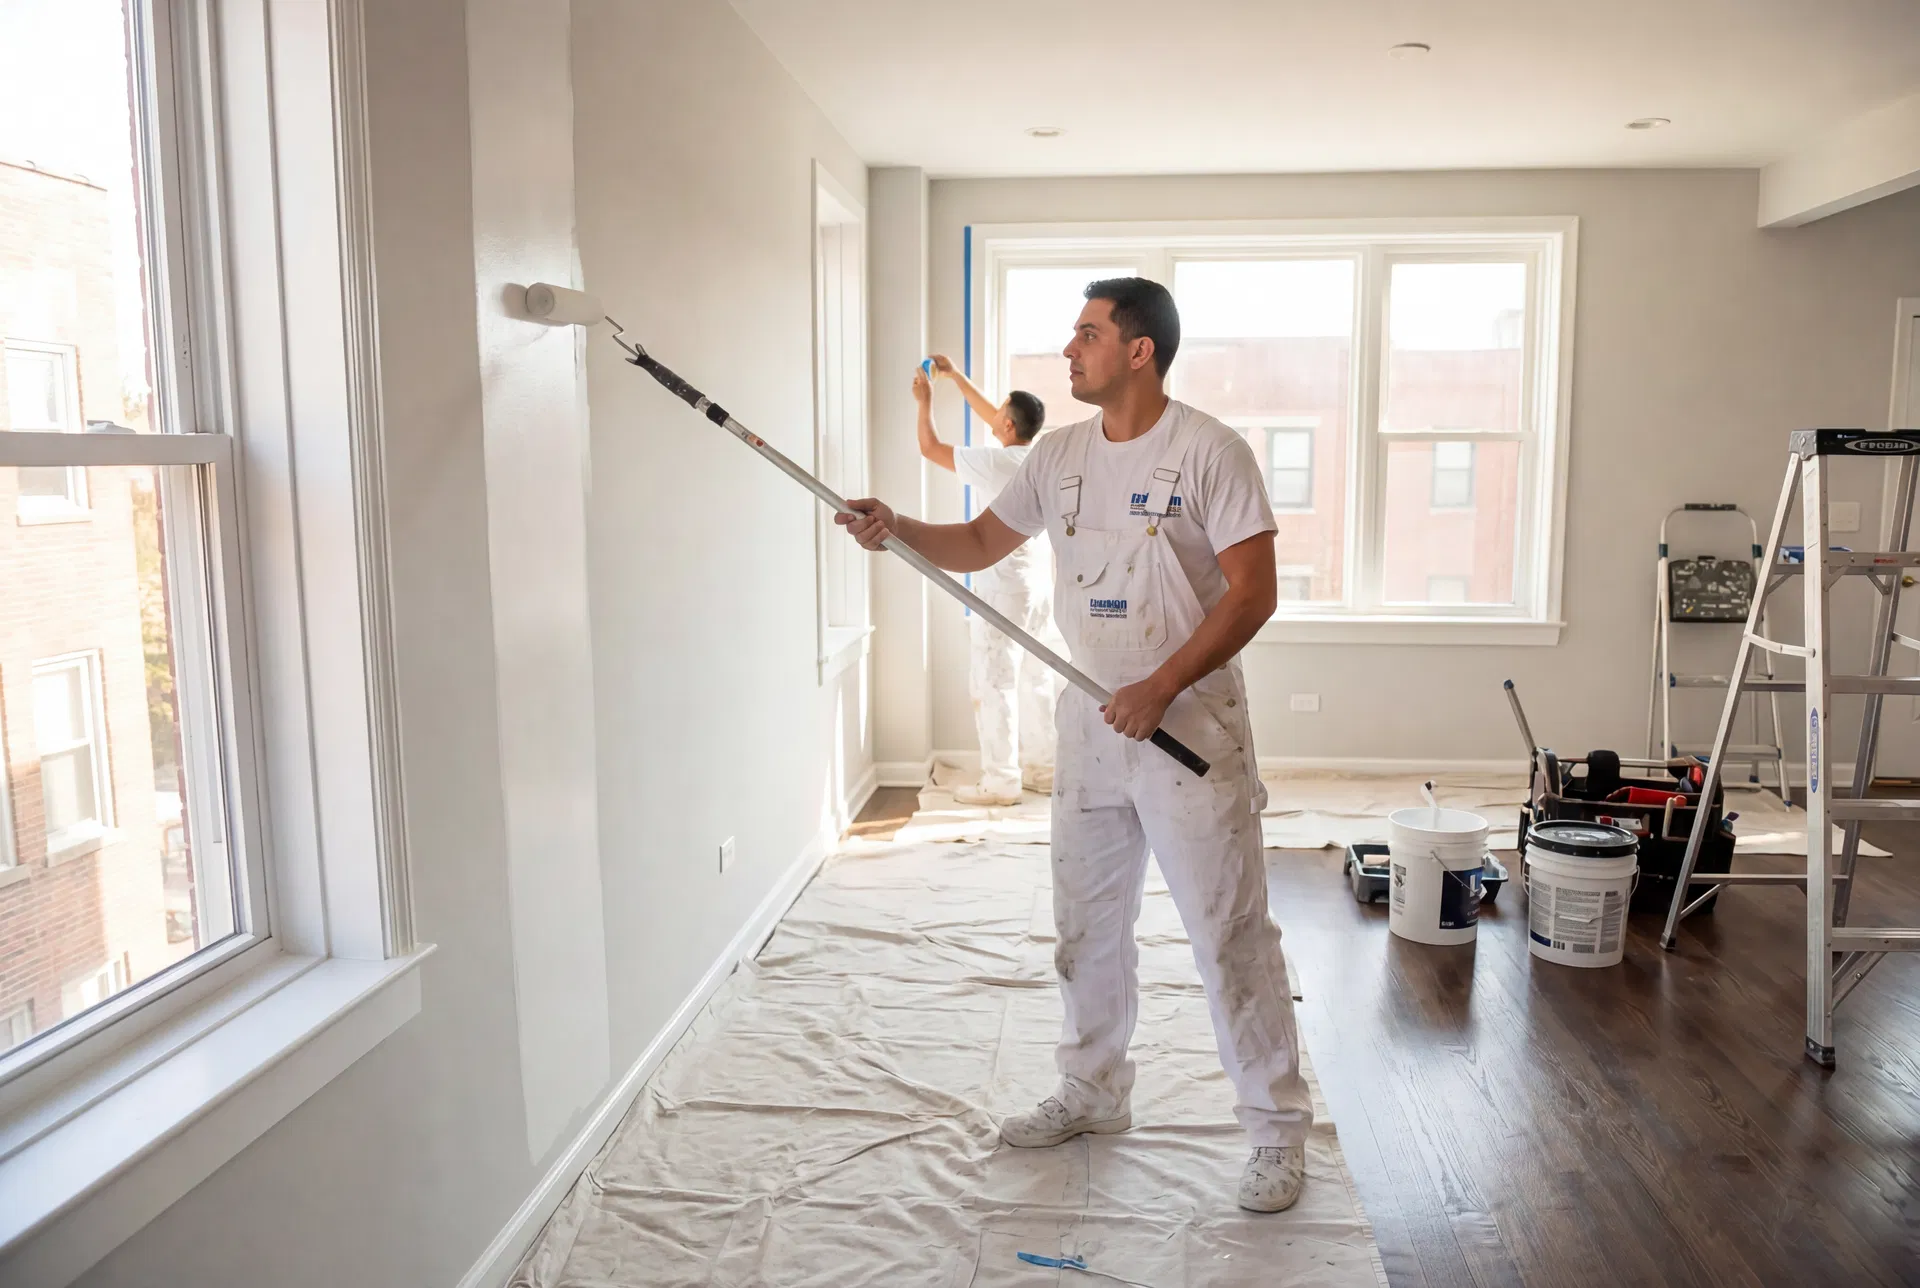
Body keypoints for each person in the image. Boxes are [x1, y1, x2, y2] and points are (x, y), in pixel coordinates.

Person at [839, 278, 1310, 1213]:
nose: (1069, 350)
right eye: (1073, 334)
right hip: (1093, 726)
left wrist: (1162, 685)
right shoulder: (1056, 456)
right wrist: (897, 530)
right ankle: (1094, 1093)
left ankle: (1274, 1131)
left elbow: (1253, 594)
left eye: (1088, 334)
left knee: (1227, 933)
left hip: (1191, 727)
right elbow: (976, 539)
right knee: (1087, 928)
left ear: (1140, 351)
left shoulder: (1211, 452)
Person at [913, 358, 1056, 804]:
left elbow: (931, 448)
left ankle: (1000, 781)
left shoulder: (997, 463)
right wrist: (956, 377)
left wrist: (926, 401)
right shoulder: (1039, 454)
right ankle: (1043, 769)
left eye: (999, 417)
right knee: (1034, 679)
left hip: (1003, 589)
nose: (993, 417)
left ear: (1009, 426)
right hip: (1037, 586)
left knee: (994, 682)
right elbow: (1001, 415)